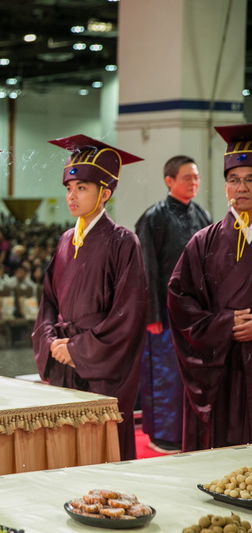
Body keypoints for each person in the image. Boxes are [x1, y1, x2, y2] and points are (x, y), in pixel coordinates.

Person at [31, 135, 147, 461]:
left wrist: (78, 350)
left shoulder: (124, 242)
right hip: (64, 359)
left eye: (82, 188)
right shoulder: (66, 240)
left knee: (100, 453)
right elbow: (48, 301)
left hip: (99, 367)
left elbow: (128, 315)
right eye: (69, 188)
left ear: (105, 193)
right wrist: (53, 341)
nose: (72, 196)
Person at [168, 123, 252, 451]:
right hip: (221, 364)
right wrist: (223, 324)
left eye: (249, 179)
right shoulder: (203, 242)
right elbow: (179, 300)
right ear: (225, 185)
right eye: (233, 179)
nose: (241, 187)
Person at [135, 155, 211, 454]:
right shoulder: (153, 217)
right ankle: (164, 435)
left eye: (196, 177)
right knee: (165, 374)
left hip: (197, 313)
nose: (193, 182)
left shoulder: (203, 214)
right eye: (187, 177)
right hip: (164, 313)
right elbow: (146, 268)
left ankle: (191, 431)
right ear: (169, 181)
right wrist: (151, 314)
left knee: (192, 374)